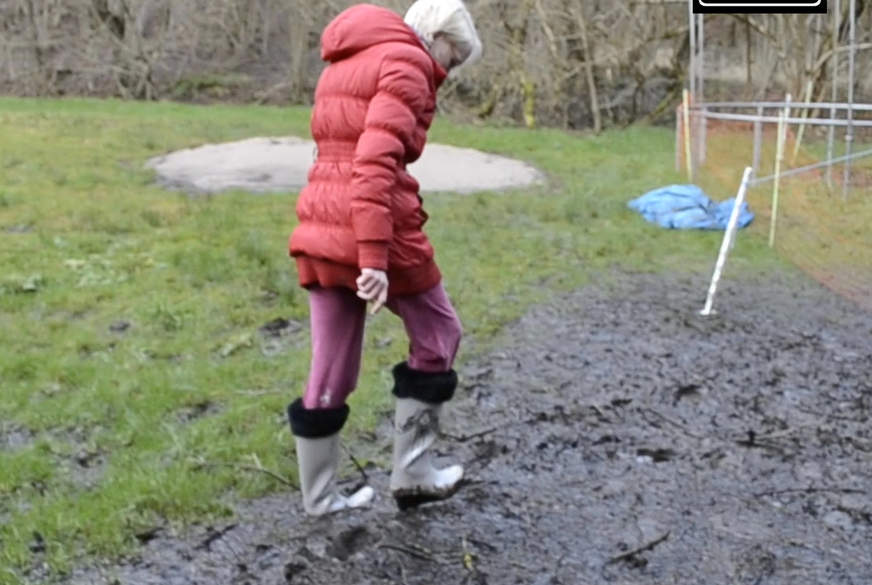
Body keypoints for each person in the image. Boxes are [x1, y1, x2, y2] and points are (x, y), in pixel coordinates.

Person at [286, 0, 482, 516]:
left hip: (320, 222)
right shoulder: (408, 62)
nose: (448, 71)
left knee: (332, 363)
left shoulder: (348, 57)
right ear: (438, 36)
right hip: (378, 229)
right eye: (453, 56)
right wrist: (373, 256)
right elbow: (373, 162)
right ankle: (414, 474)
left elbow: (334, 147)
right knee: (439, 334)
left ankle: (320, 498)